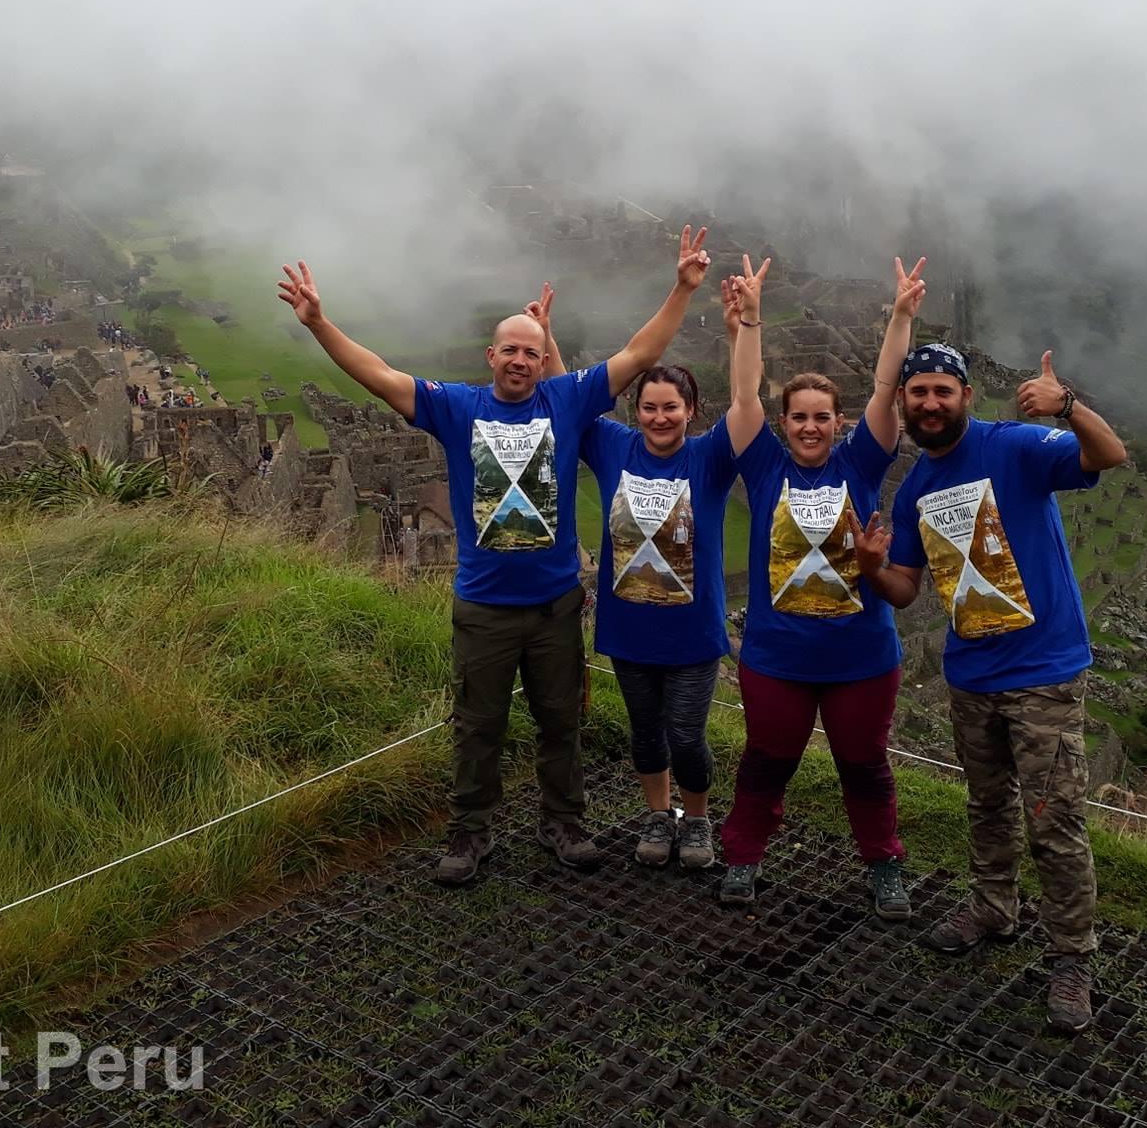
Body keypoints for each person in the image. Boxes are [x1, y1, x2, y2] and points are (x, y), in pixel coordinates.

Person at [277, 228, 711, 885]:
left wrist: (681, 288)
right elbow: (380, 377)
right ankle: (469, 834)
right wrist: (319, 324)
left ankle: (564, 824)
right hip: (484, 606)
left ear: (543, 359)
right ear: (492, 355)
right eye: (510, 349)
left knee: (561, 722)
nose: (519, 360)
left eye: (530, 351)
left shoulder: (565, 401)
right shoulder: (457, 407)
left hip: (556, 603)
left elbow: (641, 352)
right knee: (478, 726)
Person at [855, 342, 1127, 1035]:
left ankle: (1072, 958)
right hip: (972, 672)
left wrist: (1067, 407)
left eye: (943, 391)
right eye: (919, 394)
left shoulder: (1018, 447)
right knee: (987, 804)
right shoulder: (915, 488)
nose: (930, 404)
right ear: (906, 403)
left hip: (1042, 673)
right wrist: (868, 568)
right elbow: (905, 587)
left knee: (1054, 822)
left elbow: (1108, 455)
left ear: (966, 396)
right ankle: (993, 908)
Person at [717, 256, 927, 920]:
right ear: (785, 423)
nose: (810, 427)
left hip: (861, 660)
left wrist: (900, 316)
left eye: (822, 417)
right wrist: (750, 318)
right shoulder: (764, 467)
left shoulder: (863, 462)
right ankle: (743, 857)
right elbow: (744, 396)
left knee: (864, 767)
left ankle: (884, 864)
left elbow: (887, 388)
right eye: (799, 417)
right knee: (765, 762)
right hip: (778, 659)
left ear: (839, 423)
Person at [569, 256, 769, 872]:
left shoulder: (710, 460)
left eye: (671, 408)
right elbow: (568, 400)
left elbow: (747, 401)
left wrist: (745, 327)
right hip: (630, 629)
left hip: (691, 633)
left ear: (691, 411)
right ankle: (658, 815)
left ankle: (698, 818)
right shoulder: (613, 447)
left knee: (686, 734)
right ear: (637, 412)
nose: (659, 417)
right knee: (646, 731)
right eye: (649, 407)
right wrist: (547, 340)